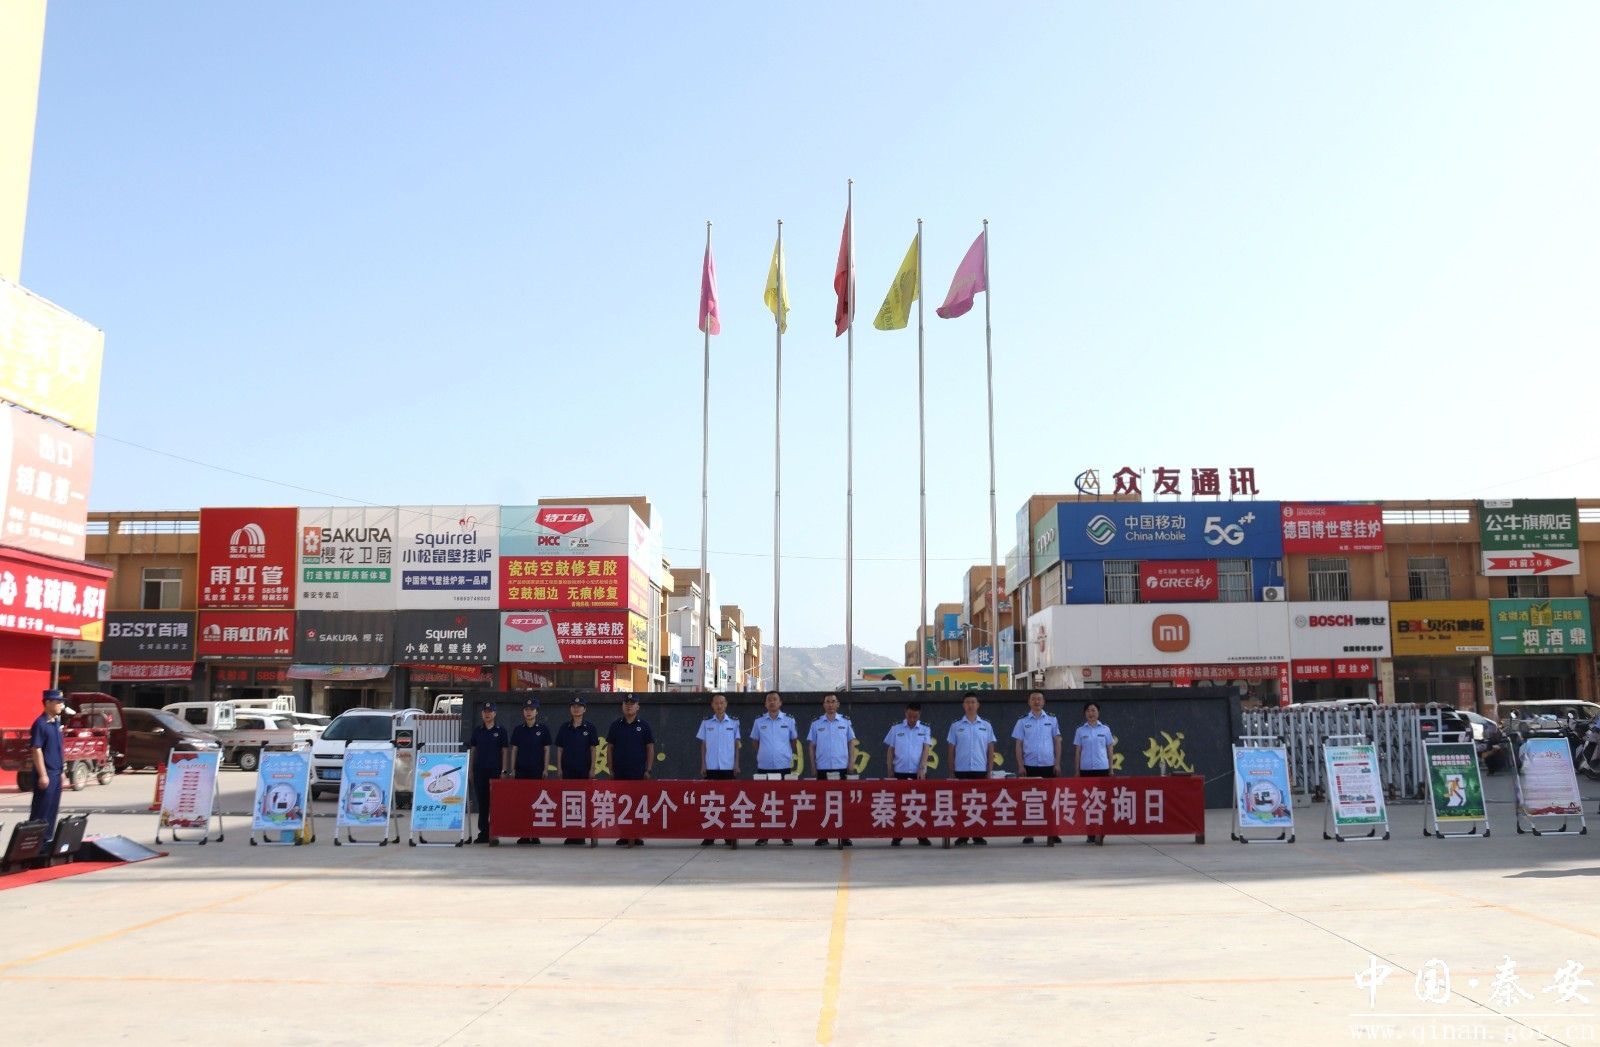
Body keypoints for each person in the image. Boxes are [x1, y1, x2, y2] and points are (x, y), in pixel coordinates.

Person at [1012, 690, 1063, 845]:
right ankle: (1029, 833)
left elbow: (1057, 742)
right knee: (1030, 800)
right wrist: (1020, 765)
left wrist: (1057, 763)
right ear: (1029, 702)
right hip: (1029, 766)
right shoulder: (1022, 721)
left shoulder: (1052, 719)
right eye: (1033, 699)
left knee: (1051, 800)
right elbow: (1018, 745)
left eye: (1039, 699)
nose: (1036, 701)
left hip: (1048, 765)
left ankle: (1052, 832)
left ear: (1044, 702)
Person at [750, 690, 800, 846]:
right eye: (769, 700)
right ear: (765, 704)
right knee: (764, 801)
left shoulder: (789, 720)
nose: (772, 702)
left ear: (780, 703)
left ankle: (786, 834)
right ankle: (764, 835)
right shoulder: (759, 721)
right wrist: (765, 753)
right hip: (764, 767)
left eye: (775, 699)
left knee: (784, 800)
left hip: (783, 766)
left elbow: (793, 741)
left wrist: (783, 753)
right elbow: (755, 742)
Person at [808, 694, 858, 847]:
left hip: (841, 767)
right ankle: (823, 836)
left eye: (833, 702)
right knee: (823, 802)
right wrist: (813, 766)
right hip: (822, 768)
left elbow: (851, 743)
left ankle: (844, 835)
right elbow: (811, 746)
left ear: (838, 704)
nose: (830, 705)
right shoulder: (816, 723)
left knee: (843, 803)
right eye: (827, 702)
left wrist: (851, 763)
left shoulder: (845, 722)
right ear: (824, 705)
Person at [946, 691, 996, 845]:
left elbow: (991, 750)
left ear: (978, 705)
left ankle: (977, 835)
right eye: (967, 702)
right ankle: (963, 835)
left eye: (973, 702)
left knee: (978, 803)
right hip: (961, 770)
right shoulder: (956, 726)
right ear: (963, 705)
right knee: (962, 804)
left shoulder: (986, 725)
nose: (970, 705)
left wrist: (989, 771)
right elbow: (951, 750)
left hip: (980, 770)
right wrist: (951, 772)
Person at [606, 696, 655, 847]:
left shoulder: (644, 725)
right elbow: (610, 748)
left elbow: (650, 748)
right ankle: (624, 834)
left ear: (637, 707)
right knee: (620, 804)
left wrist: (648, 769)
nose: (629, 706)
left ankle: (636, 834)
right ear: (622, 706)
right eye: (626, 704)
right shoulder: (616, 725)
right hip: (620, 772)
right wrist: (610, 768)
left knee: (638, 804)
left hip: (638, 772)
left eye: (632, 704)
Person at [884, 701, 933, 846]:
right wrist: (890, 769)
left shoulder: (925, 728)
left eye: (915, 717)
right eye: (910, 716)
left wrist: (922, 768)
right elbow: (890, 750)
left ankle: (921, 835)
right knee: (899, 805)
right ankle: (897, 835)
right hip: (900, 772)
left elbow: (926, 749)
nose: (912, 719)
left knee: (920, 805)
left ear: (919, 715)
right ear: (905, 713)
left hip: (918, 774)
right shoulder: (896, 728)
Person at [696, 692, 741, 847]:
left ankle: (728, 835)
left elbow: (737, 745)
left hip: (728, 767)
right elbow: (703, 745)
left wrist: (736, 764)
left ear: (726, 704)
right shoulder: (706, 722)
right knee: (711, 801)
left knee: (728, 801)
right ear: (712, 705)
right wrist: (703, 764)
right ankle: (710, 835)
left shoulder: (734, 722)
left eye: (722, 703)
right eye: (716, 703)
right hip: (711, 767)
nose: (719, 706)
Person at [555, 698, 600, 845]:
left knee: (584, 802)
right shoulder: (564, 727)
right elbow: (560, 749)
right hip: (568, 769)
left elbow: (593, 749)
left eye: (579, 706)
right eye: (573, 706)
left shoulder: (590, 728)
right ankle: (571, 834)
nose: (576, 709)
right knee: (569, 801)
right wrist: (559, 768)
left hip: (584, 770)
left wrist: (592, 768)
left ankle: (583, 834)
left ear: (584, 709)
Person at [509, 697, 552, 845]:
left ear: (537, 712)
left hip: (536, 771)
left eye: (532, 709)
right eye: (526, 709)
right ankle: (524, 834)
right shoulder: (518, 730)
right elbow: (514, 750)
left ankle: (535, 834)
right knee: (522, 803)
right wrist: (512, 769)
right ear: (523, 712)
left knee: (536, 802)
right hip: (521, 771)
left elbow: (546, 750)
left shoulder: (543, 729)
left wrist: (545, 768)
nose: (529, 712)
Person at [467, 700, 510, 844]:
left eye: (490, 711)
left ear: (495, 713)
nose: (487, 714)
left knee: (495, 803)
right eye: (485, 712)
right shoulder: (477, 731)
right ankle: (483, 833)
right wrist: (470, 770)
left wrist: (504, 770)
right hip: (479, 771)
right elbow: (473, 751)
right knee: (482, 802)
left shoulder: (501, 731)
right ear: (482, 714)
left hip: (495, 771)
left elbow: (504, 751)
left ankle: (494, 832)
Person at [1074, 701, 1115, 845]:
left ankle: (1101, 832)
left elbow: (1110, 750)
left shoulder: (1105, 729)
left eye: (1094, 710)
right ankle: (1090, 833)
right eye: (1088, 711)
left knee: (1101, 802)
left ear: (1098, 713)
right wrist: (1077, 771)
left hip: (1102, 769)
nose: (1091, 713)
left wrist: (1111, 769)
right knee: (1088, 802)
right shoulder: (1080, 730)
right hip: (1086, 770)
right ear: (1085, 713)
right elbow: (1078, 752)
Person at [28, 690, 66, 843]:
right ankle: (33, 843)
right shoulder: (40, 724)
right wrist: (43, 774)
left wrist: (62, 770)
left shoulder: (56, 723)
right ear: (48, 703)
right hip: (47, 773)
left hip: (56, 772)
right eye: (58, 702)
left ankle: (47, 841)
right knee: (41, 811)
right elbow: (36, 749)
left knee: (52, 810)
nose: (61, 705)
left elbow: (58, 748)